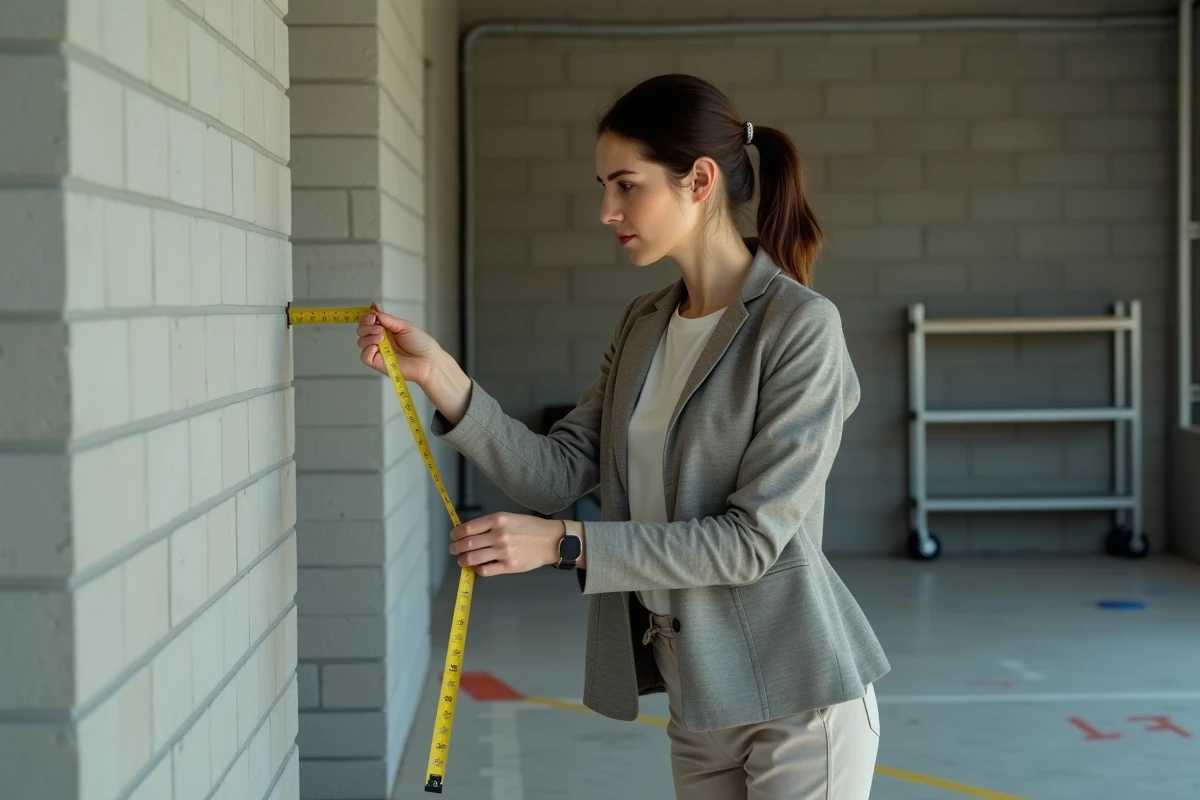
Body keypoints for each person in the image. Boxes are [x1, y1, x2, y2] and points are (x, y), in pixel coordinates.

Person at [356, 73, 889, 800]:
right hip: (697, 697)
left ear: (698, 180)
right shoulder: (643, 324)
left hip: (797, 696)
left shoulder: (799, 328)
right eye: (603, 185)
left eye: (626, 185)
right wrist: (442, 377)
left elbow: (748, 542)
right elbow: (557, 471)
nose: (607, 210)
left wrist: (566, 544)